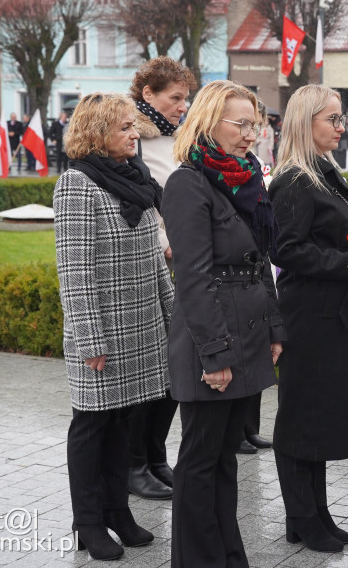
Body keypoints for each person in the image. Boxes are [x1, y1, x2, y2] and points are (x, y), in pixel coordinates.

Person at [163, 79, 283, 568]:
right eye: (242, 124)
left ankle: (228, 554)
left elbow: (261, 261)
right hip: (212, 339)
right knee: (199, 460)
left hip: (249, 331)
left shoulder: (245, 179)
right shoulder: (188, 183)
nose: (251, 134)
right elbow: (191, 277)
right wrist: (214, 353)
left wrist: (275, 328)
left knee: (225, 459)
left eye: (255, 124)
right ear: (209, 121)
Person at [53, 92, 172, 561]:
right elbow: (75, 270)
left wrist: (172, 313)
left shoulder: (136, 178)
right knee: (91, 425)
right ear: (97, 132)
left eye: (134, 126)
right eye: (124, 127)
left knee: (124, 423)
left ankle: (118, 513)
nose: (134, 134)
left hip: (141, 327)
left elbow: (152, 258)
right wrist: (89, 338)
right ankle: (88, 523)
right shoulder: (77, 184)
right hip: (102, 331)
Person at [269, 84, 348, 553]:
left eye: (341, 118)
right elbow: (287, 250)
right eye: (332, 119)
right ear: (304, 122)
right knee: (301, 417)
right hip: (308, 314)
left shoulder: (323, 172)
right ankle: (302, 516)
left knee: (317, 415)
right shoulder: (293, 178)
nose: (342, 126)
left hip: (330, 313)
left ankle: (315, 510)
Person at [124, 55, 195, 501]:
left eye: (186, 98)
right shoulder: (129, 142)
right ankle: (133, 464)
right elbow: (133, 208)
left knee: (172, 370)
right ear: (147, 95)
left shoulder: (177, 140)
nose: (182, 106)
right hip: (151, 266)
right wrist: (163, 242)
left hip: (181, 266)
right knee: (146, 369)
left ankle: (155, 457)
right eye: (175, 98)